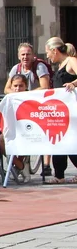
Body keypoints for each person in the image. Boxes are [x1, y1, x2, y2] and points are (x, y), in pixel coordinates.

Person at [45, 38, 77, 183]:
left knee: (69, 141)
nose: (47, 56)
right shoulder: (60, 66)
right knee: (59, 141)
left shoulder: (71, 61)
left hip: (72, 110)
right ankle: (59, 175)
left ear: (55, 50)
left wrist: (73, 83)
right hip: (60, 111)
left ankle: (59, 175)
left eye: (48, 52)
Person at [4, 74, 32, 183]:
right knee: (0, 141)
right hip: (10, 130)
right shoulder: (8, 99)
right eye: (15, 86)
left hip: (27, 130)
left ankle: (19, 164)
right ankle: (21, 165)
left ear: (26, 86)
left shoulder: (31, 98)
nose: (17, 89)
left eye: (21, 86)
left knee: (27, 136)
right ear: (11, 86)